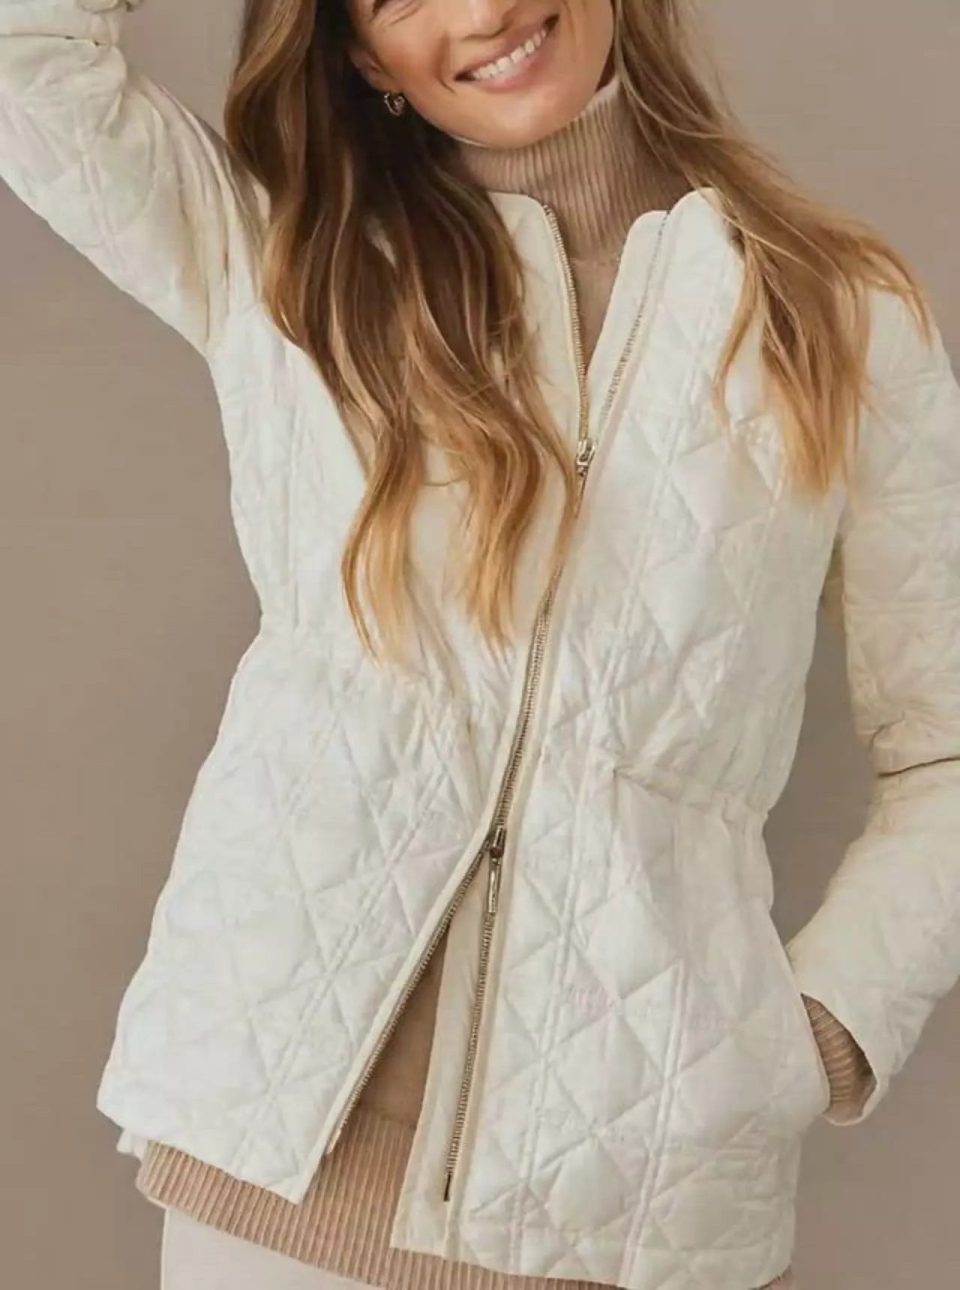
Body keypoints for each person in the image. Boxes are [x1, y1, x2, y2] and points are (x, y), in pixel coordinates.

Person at [3, 0, 959, 1287]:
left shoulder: (840, 313)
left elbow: (949, 749)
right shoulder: (290, 254)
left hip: (637, 1204)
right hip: (276, 1175)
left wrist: (821, 1034)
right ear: (359, 53)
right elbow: (27, 57)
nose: (484, 12)